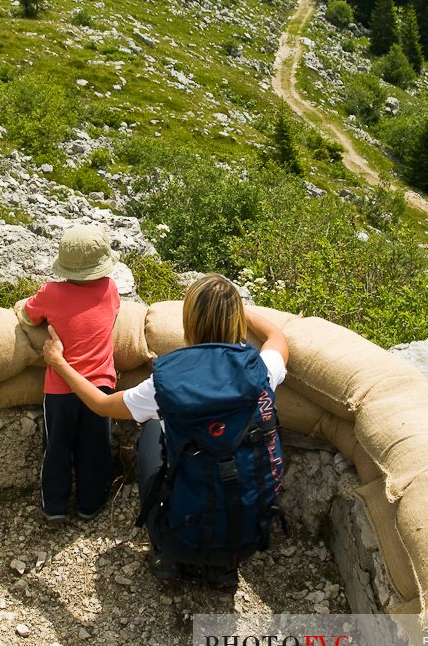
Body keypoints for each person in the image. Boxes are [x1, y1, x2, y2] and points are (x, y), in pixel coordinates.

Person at [43, 273, 288, 585]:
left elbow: (101, 405)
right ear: (237, 320)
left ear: (188, 321)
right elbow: (276, 337)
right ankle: (224, 568)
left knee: (152, 431)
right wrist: (234, 308)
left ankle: (165, 554)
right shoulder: (262, 371)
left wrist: (59, 363)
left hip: (182, 538)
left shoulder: (166, 386)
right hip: (249, 538)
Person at [17, 223, 120, 524]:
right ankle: (91, 504)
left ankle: (55, 507)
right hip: (101, 388)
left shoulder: (51, 292)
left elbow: (28, 314)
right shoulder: (111, 289)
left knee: (57, 449)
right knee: (96, 448)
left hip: (61, 390)